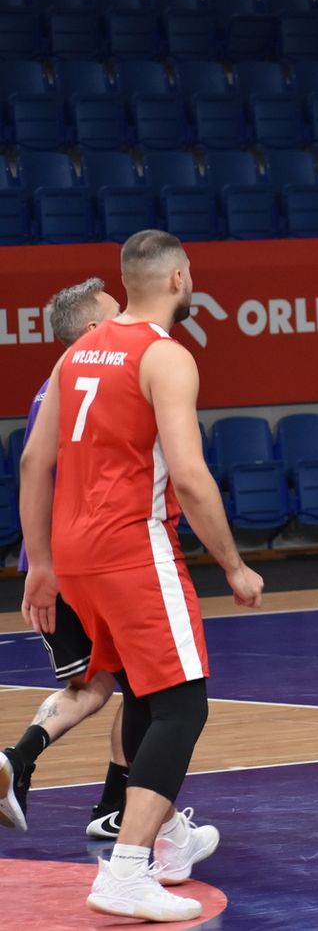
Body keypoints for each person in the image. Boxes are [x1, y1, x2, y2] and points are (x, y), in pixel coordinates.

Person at [18, 230, 264, 923]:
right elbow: (188, 475)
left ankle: (168, 844)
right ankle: (127, 871)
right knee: (183, 706)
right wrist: (234, 564)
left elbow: (33, 462)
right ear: (179, 279)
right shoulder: (165, 356)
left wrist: (40, 563)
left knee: (144, 698)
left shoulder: (76, 353)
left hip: (73, 552)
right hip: (131, 545)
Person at [0, 278, 133, 841]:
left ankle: (16, 760)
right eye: (116, 313)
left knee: (94, 686)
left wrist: (37, 563)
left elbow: (33, 471)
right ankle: (119, 810)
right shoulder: (96, 387)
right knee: (153, 687)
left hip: (52, 562)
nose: (127, 318)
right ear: (93, 331)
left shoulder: (51, 388)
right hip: (86, 559)